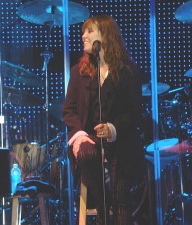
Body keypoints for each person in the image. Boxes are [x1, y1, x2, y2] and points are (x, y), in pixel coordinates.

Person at [62, 14, 146, 225]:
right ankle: (101, 209)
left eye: (90, 31)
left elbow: (135, 113)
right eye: (83, 31)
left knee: (120, 198)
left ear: (105, 35)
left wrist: (113, 129)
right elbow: (69, 110)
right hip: (90, 143)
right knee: (101, 195)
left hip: (122, 142)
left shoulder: (128, 71)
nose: (83, 36)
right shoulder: (78, 72)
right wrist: (79, 135)